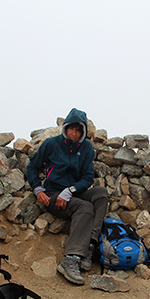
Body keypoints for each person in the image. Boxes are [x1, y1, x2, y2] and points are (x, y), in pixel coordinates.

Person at [26, 108, 108, 285]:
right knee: (85, 208)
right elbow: (32, 167)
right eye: (71, 128)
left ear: (83, 131)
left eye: (79, 130)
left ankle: (89, 246)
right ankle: (71, 259)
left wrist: (70, 190)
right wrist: (38, 189)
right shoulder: (51, 144)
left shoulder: (86, 147)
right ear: (65, 127)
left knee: (101, 193)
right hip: (53, 194)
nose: (74, 133)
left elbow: (87, 178)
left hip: (73, 192)